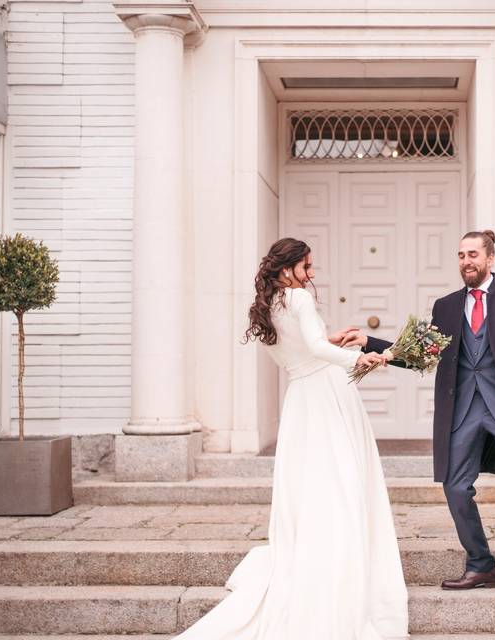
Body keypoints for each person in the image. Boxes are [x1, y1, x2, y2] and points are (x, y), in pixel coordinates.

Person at [175, 238, 408, 640]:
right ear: (287, 269)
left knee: (315, 485)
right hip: (325, 395)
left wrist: (330, 342)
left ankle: (317, 553)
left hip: (301, 400)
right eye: (307, 266)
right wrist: (360, 357)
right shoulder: (297, 299)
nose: (312, 273)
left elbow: (303, 351)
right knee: (342, 480)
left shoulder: (268, 307)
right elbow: (315, 347)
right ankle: (344, 568)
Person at [347, 230, 495, 598]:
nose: (466, 261)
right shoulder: (445, 306)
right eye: (461, 255)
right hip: (463, 410)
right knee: (456, 487)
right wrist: (371, 343)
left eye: (473, 254)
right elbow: (421, 355)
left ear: (490, 258)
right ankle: (481, 564)